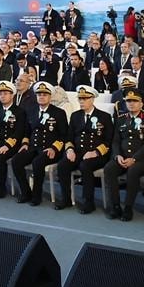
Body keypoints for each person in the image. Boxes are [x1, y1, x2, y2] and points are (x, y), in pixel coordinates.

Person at [55, 85, 112, 214]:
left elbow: (108, 140)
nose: (81, 101)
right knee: (63, 165)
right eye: (80, 99)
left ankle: (88, 202)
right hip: (78, 152)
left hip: (97, 153)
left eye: (85, 99)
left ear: (92, 99)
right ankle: (66, 198)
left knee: (85, 166)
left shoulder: (104, 117)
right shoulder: (75, 116)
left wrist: (95, 152)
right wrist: (70, 150)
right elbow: (69, 137)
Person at [10, 81, 67, 206]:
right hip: (33, 147)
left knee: (37, 162)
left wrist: (54, 148)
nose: (41, 97)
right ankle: (26, 192)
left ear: (50, 97)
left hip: (50, 149)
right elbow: (27, 131)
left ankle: (37, 195)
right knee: (16, 161)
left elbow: (64, 135)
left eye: (44, 95)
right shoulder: (31, 110)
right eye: (39, 94)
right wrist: (25, 144)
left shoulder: (59, 113)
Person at [103, 89, 144, 222]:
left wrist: (134, 159)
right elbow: (115, 141)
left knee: (133, 172)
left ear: (141, 104)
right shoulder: (120, 119)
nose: (131, 104)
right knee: (109, 169)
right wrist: (117, 156)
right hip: (122, 157)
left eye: (134, 101)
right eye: (128, 101)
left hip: (140, 159)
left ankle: (128, 207)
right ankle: (115, 206)